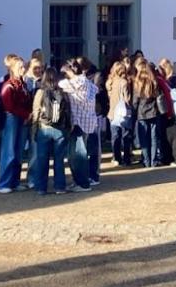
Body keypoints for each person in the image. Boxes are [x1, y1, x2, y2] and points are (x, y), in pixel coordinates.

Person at [30, 67, 72, 194]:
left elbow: (36, 112)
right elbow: (67, 112)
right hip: (59, 130)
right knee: (59, 160)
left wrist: (34, 130)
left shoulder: (40, 92)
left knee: (42, 159)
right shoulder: (63, 92)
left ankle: (41, 188)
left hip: (44, 128)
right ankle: (60, 187)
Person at [61, 58, 100, 190]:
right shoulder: (87, 82)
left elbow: (60, 83)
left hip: (78, 122)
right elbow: (95, 90)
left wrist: (67, 76)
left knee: (78, 155)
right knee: (76, 154)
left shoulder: (75, 82)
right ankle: (79, 181)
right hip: (87, 122)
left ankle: (83, 183)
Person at [0, 54, 32, 194]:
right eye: (20, 67)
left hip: (22, 118)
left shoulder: (22, 84)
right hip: (12, 118)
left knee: (18, 152)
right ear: (12, 69)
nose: (23, 69)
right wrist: (26, 114)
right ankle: (4, 183)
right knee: (9, 151)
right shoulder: (8, 85)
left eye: (23, 67)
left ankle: (14, 181)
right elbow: (9, 106)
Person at [132, 60, 164, 167]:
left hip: (141, 113)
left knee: (144, 139)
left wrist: (134, 113)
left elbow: (135, 101)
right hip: (153, 112)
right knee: (154, 138)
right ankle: (154, 161)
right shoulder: (154, 82)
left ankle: (146, 161)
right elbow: (158, 96)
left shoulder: (137, 83)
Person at [107, 60, 135, 166]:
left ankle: (116, 157)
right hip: (123, 112)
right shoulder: (124, 82)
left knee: (115, 137)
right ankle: (127, 158)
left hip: (112, 112)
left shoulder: (110, 82)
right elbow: (127, 99)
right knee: (126, 136)